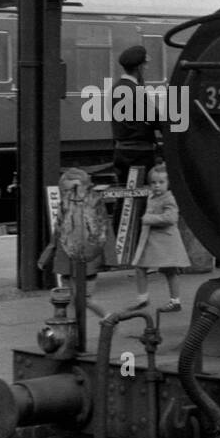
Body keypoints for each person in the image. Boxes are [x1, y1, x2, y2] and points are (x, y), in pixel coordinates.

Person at [37, 167, 107, 317]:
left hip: (87, 266)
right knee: (68, 299)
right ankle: (70, 330)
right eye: (67, 191)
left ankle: (108, 318)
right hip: (66, 265)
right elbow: (56, 236)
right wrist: (45, 258)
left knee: (85, 299)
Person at [130, 164, 189, 310]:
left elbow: (171, 218)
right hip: (153, 241)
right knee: (140, 267)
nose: (157, 186)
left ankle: (175, 301)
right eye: (153, 183)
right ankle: (143, 298)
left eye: (161, 182)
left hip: (166, 240)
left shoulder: (169, 199)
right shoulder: (151, 196)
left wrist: (149, 218)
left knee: (169, 270)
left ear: (168, 184)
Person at [112, 44, 161, 187]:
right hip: (140, 155)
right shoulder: (136, 91)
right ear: (139, 67)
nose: (146, 69)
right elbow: (155, 119)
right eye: (145, 66)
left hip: (121, 152)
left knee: (123, 194)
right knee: (141, 196)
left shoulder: (115, 88)